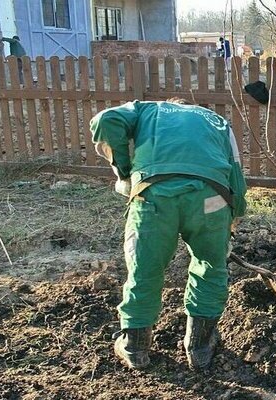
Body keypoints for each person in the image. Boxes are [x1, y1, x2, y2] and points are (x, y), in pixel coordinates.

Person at [90, 98, 247, 371]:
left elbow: (105, 121)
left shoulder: (147, 110)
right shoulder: (217, 121)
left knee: (145, 268)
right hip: (211, 201)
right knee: (211, 265)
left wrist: (124, 172)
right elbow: (235, 170)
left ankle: (135, 348)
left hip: (154, 198)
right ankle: (199, 348)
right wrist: (233, 220)